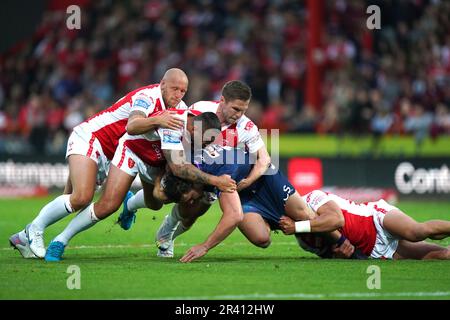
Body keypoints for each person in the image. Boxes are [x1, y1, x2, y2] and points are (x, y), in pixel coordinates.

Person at [9, 68, 189, 259]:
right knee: (80, 198)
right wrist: (158, 120)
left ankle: (22, 237)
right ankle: (34, 230)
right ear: (162, 84)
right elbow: (132, 125)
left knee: (73, 198)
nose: (178, 95)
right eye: (174, 88)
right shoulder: (147, 96)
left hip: (111, 152)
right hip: (92, 138)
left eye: (183, 91)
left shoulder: (180, 109)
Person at [43, 110, 236, 261]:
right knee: (108, 205)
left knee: (157, 201)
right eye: (207, 140)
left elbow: (175, 163)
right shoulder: (174, 123)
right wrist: (215, 181)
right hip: (133, 151)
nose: (208, 145)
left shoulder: (196, 134)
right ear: (195, 129)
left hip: (156, 163)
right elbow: (178, 167)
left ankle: (129, 205)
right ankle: (60, 240)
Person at [118, 80, 272, 258]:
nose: (240, 115)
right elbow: (179, 132)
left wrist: (247, 181)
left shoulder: (246, 127)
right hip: (183, 163)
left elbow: (265, 159)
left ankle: (167, 234)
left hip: (213, 172)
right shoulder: (199, 109)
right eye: (236, 109)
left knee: (192, 213)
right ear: (222, 101)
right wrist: (171, 163)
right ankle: (131, 205)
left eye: (244, 110)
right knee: (161, 197)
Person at [154, 146, 359, 263]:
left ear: (191, 183)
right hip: (244, 196)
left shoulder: (220, 177)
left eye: (189, 196)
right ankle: (279, 224)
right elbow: (165, 179)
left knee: (304, 214)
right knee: (262, 239)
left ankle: (342, 243)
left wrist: (204, 247)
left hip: (266, 181)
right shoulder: (193, 173)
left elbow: (233, 216)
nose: (191, 200)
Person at [279, 190, 450, 260]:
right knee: (440, 255)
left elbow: (336, 220)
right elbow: (332, 254)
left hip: (375, 220)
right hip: (374, 250)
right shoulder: (304, 242)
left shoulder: (311, 198)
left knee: (416, 232)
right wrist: (339, 254)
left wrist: (296, 227)